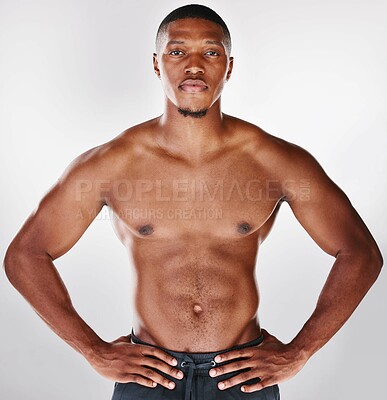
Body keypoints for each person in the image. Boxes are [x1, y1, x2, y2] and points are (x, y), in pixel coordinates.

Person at [3, 4, 383, 400]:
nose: (194, 66)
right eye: (178, 51)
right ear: (156, 64)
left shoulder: (276, 162)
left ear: (229, 67)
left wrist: (299, 352)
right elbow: (26, 254)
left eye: (211, 52)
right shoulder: (110, 165)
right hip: (148, 377)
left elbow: (359, 252)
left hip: (242, 376)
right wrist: (93, 351)